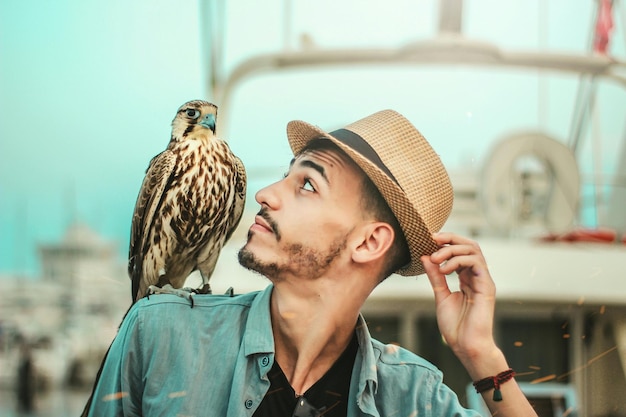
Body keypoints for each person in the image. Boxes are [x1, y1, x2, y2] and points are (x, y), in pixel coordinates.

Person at [85, 109, 537, 416]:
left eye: (306, 186)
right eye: (286, 175)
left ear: (369, 242)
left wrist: (482, 354)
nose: (264, 194)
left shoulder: (411, 396)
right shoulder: (160, 334)